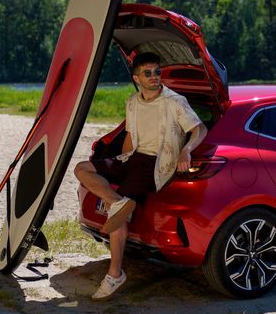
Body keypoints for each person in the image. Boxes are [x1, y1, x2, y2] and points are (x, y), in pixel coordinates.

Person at [73, 52, 208, 300]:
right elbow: (129, 136)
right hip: (132, 158)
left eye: (157, 72)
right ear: (137, 78)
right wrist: (120, 162)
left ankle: (115, 274)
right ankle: (118, 202)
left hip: (155, 163)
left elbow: (199, 129)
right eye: (148, 73)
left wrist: (186, 150)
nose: (154, 76)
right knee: (82, 169)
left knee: (117, 218)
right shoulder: (133, 102)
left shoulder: (174, 102)